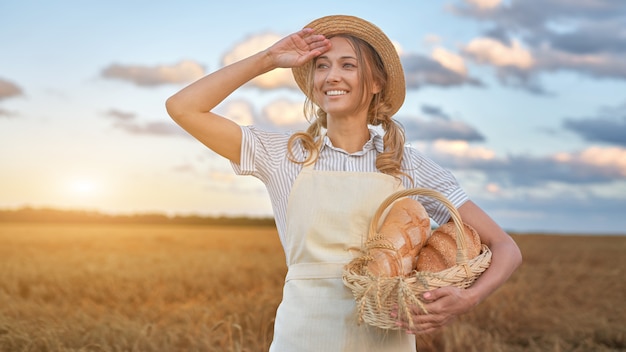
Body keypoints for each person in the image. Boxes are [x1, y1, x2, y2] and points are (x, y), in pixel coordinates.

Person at [166, 14, 522, 352]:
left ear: (376, 83)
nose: (331, 76)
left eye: (347, 65)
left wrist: (468, 299)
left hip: (385, 340)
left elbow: (505, 247)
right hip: (302, 338)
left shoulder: (407, 163)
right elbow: (183, 107)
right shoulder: (282, 155)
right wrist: (268, 59)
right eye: (322, 66)